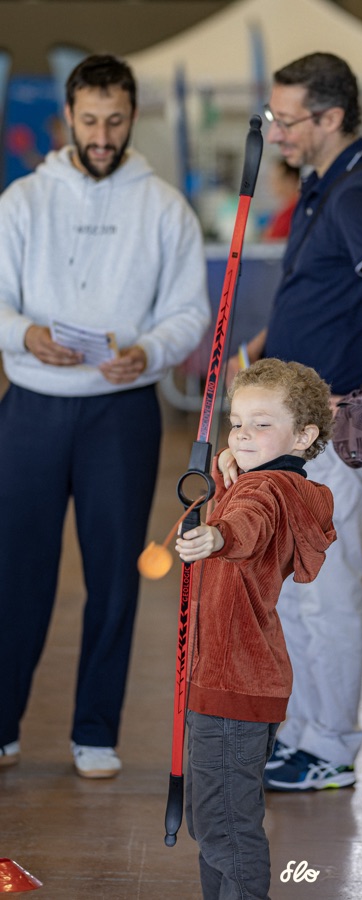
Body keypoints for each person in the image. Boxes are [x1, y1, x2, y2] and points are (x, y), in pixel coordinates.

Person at [0, 55, 210, 779]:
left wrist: (149, 349)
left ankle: (95, 731)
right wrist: (23, 334)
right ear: (68, 117)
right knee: (15, 573)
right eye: (89, 120)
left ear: (132, 117)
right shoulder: (24, 200)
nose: (101, 134)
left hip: (120, 413)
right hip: (30, 408)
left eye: (114, 120)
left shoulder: (163, 208)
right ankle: (2, 725)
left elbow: (190, 311)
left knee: (116, 578)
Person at [227, 52, 362, 791]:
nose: (275, 132)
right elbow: (316, 299)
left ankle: (331, 746)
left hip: (328, 433)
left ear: (331, 117)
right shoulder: (318, 188)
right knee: (298, 596)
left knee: (327, 595)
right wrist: (257, 360)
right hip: (293, 432)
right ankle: (305, 735)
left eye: (288, 119)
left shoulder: (360, 191)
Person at [175, 357, 336, 900]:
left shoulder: (262, 494)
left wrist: (217, 537)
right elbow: (254, 495)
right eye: (237, 422)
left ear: (305, 433)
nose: (243, 433)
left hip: (230, 684)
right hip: (242, 681)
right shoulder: (280, 482)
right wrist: (232, 471)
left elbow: (248, 523)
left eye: (262, 424)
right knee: (215, 822)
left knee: (225, 830)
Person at [262, 158, 299, 240]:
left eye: (276, 179)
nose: (272, 184)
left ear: (291, 179)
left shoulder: (298, 210)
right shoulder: (283, 210)